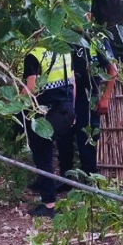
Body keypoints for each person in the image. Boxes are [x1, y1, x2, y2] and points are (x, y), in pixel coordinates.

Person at [57, 17, 118, 190]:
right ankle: (66, 180)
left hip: (88, 95)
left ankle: (90, 183)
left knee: (87, 139)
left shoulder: (98, 38)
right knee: (64, 137)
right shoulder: (65, 38)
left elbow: (112, 70)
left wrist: (105, 97)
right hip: (66, 95)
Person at [23, 43, 76, 218]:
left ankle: (49, 203)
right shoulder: (64, 51)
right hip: (67, 110)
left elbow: (31, 89)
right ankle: (48, 184)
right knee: (56, 148)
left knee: (42, 154)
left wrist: (12, 101)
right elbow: (73, 83)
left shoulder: (34, 55)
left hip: (47, 113)